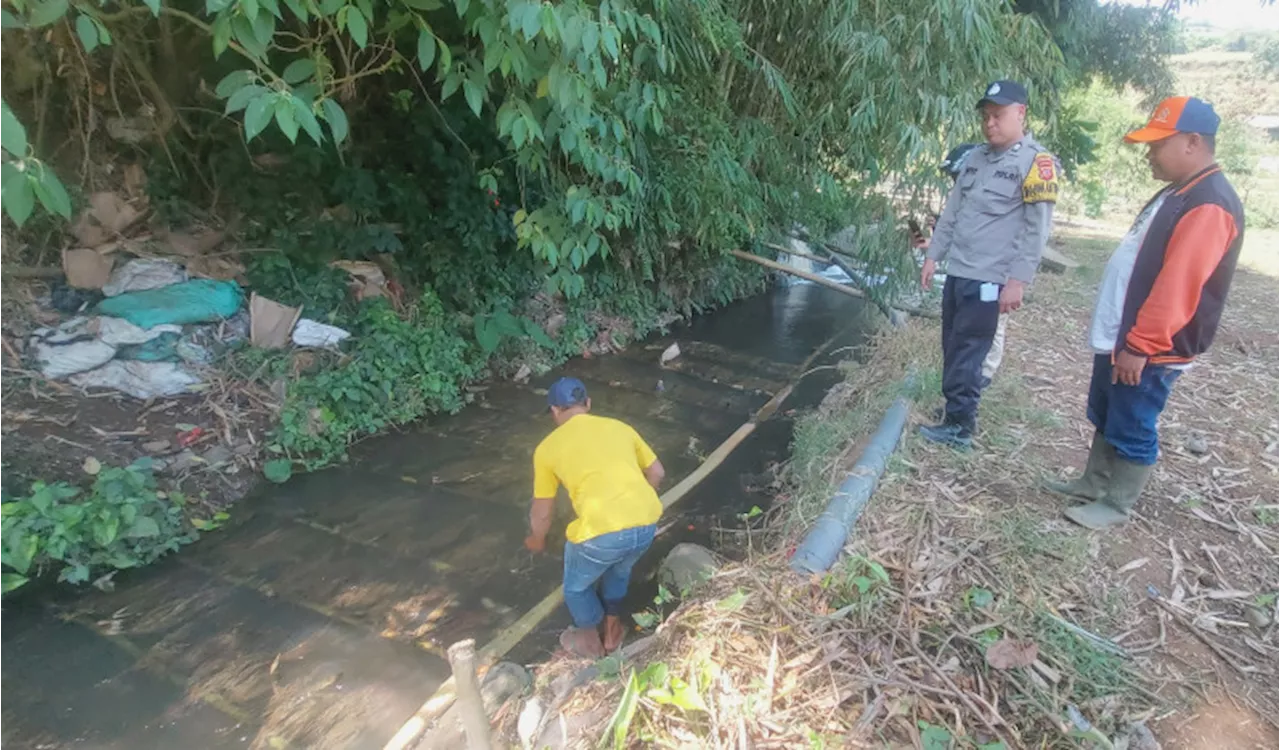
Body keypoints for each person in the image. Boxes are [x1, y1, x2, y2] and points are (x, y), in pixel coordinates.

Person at [1046, 96, 1244, 529]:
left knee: (1134, 419)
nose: (1149, 154)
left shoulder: (1209, 202)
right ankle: (1092, 484)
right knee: (1107, 409)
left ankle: (1117, 505)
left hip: (1148, 346)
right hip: (1124, 334)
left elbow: (1178, 283)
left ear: (1193, 142)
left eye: (1158, 144)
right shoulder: (1181, 191)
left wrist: (1141, 345)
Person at [918, 80, 1059, 448]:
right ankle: (954, 411)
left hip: (990, 278)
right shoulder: (976, 158)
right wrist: (933, 256)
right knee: (952, 344)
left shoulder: (1036, 163)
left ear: (1021, 113)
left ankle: (961, 428)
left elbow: (1036, 230)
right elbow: (952, 213)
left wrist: (1018, 281)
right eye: (986, 116)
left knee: (969, 349)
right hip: (960, 271)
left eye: (998, 115)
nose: (990, 123)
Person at [525, 377, 666, 657]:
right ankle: (613, 632)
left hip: (601, 535)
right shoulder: (621, 428)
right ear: (588, 404)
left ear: (554, 411)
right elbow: (658, 473)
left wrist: (537, 539)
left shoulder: (546, 449)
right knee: (620, 570)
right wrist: (634, 505)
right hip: (647, 525)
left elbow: (543, 511)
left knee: (576, 588)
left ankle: (590, 640)